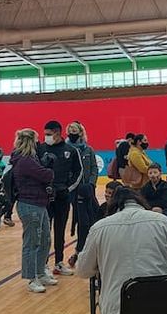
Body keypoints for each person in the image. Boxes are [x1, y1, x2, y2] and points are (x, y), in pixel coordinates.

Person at [10, 128, 57, 293]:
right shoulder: (25, 160)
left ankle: (40, 271)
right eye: (37, 140)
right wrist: (49, 169)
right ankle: (31, 278)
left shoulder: (31, 158)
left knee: (45, 239)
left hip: (39, 203)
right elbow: (46, 175)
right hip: (29, 204)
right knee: (32, 242)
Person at [38, 120, 82, 274]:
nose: (46, 137)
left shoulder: (70, 150)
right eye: (45, 134)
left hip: (63, 197)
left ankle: (58, 263)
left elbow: (78, 172)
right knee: (44, 232)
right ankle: (43, 265)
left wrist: (67, 189)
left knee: (60, 231)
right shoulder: (40, 149)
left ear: (57, 133)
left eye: (49, 134)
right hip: (44, 198)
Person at [67, 121, 100, 267]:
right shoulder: (66, 150)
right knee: (82, 222)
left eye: (75, 130)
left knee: (93, 219)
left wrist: (91, 184)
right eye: (70, 130)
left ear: (80, 132)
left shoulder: (88, 150)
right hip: (74, 191)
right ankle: (79, 251)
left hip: (88, 190)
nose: (72, 132)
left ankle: (89, 250)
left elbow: (94, 168)